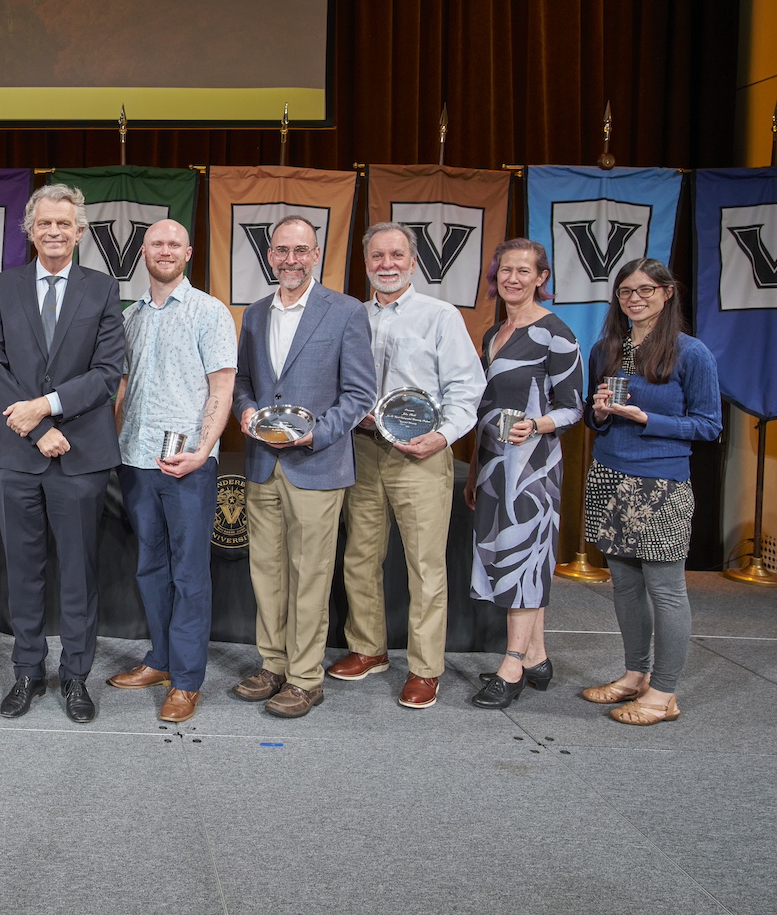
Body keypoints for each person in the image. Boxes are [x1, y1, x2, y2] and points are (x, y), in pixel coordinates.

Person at [0, 183, 125, 724]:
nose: (55, 232)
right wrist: (37, 428)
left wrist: (45, 406)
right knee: (22, 568)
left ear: (80, 230)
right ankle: (26, 671)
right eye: (45, 224)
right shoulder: (0, 287)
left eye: (65, 224)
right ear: (30, 230)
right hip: (16, 454)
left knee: (79, 572)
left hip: (80, 453)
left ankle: (76, 677)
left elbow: (107, 373)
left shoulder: (103, 290)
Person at [329, 223, 484, 709]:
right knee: (359, 556)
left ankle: (424, 669)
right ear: (367, 262)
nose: (387, 264)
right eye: (377, 256)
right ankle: (368, 649)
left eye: (396, 255)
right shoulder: (352, 316)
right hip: (363, 449)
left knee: (424, 566)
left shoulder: (440, 316)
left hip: (423, 454)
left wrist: (441, 436)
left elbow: (467, 388)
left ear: (413, 262)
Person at [231, 214, 375, 719]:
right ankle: (272, 664)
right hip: (263, 464)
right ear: (270, 256)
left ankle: (306, 677)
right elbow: (244, 380)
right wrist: (245, 410)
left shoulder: (346, 311)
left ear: (316, 255)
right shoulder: (253, 313)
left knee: (310, 574)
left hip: (316, 463)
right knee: (267, 571)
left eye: (301, 250)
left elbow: (360, 392)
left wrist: (321, 432)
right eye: (281, 251)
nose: (290, 259)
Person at [106, 220, 236, 724]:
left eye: (173, 244)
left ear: (188, 252)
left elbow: (222, 386)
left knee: (188, 573)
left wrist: (203, 450)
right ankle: (160, 660)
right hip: (136, 459)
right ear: (143, 253)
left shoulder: (209, 311)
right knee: (149, 567)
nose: (164, 250)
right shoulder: (130, 317)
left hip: (190, 467)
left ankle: (186, 680)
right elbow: (120, 390)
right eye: (155, 243)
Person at [581, 258, 721, 725]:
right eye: (625, 291)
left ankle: (664, 693)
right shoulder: (607, 348)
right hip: (608, 473)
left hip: (660, 482)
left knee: (665, 589)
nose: (634, 298)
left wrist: (648, 419)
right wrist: (601, 412)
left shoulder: (691, 352)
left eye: (644, 289)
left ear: (666, 292)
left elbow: (708, 425)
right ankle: (634, 674)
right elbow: (592, 417)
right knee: (623, 584)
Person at [464, 238, 585, 709]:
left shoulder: (557, 333)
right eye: (505, 270)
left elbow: (574, 409)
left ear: (541, 278)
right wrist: (475, 470)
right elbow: (484, 409)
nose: (512, 278)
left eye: (523, 271)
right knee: (508, 557)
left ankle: (511, 665)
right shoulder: (492, 335)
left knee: (525, 559)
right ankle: (537, 657)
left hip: (533, 468)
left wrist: (537, 424)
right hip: (493, 462)